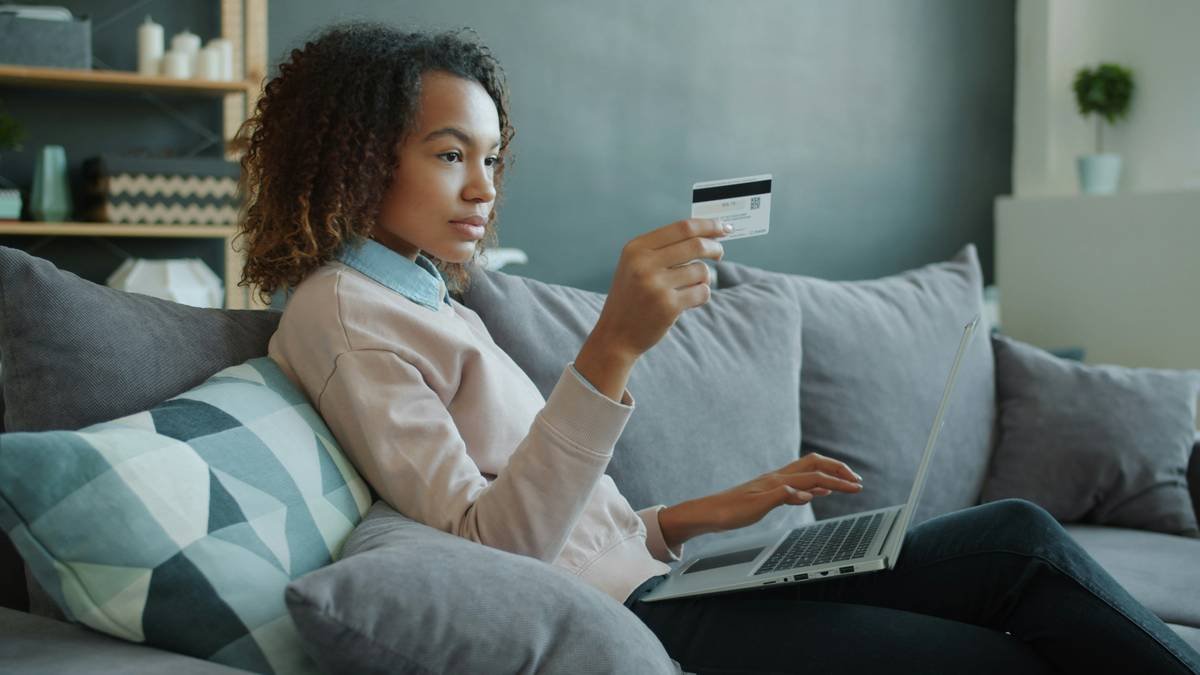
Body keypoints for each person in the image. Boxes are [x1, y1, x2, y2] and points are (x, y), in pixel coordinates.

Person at [235, 21, 1200, 675]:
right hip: (654, 621)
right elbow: (498, 550)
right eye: (450, 155)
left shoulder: (429, 298)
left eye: (490, 157)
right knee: (1012, 647)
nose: (482, 187)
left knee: (1019, 534)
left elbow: (578, 531)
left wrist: (709, 512)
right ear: (361, 157)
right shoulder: (342, 315)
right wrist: (611, 347)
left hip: (676, 579)